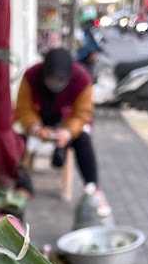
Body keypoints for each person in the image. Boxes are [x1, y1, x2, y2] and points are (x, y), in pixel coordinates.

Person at [15, 48, 110, 214]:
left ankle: (93, 187)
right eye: (52, 80)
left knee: (84, 139)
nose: (56, 84)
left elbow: (83, 114)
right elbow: (23, 109)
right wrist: (35, 127)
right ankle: (19, 184)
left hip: (68, 123)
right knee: (15, 137)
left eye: (60, 81)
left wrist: (68, 132)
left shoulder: (82, 79)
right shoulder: (31, 76)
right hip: (39, 121)